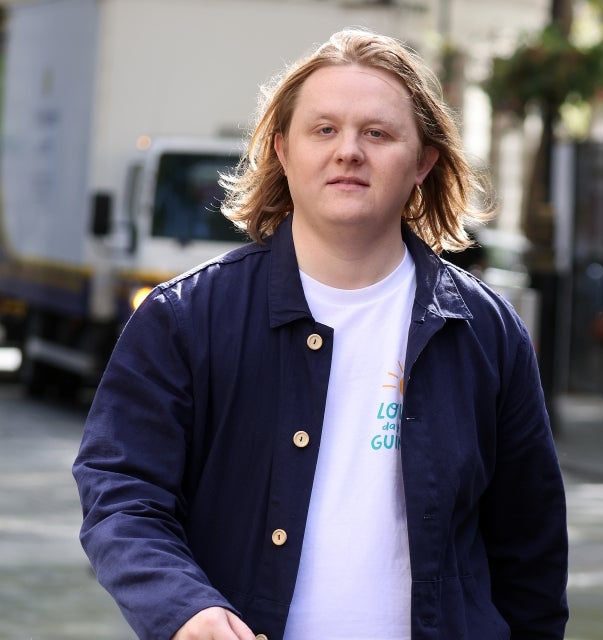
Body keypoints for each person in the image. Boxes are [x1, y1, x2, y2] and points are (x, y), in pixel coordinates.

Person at [73, 28, 568, 640]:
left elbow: (531, 550)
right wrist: (182, 607)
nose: (349, 152)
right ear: (283, 150)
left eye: (377, 133)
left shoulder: (486, 331)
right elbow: (121, 493)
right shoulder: (185, 317)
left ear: (424, 162)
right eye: (324, 129)